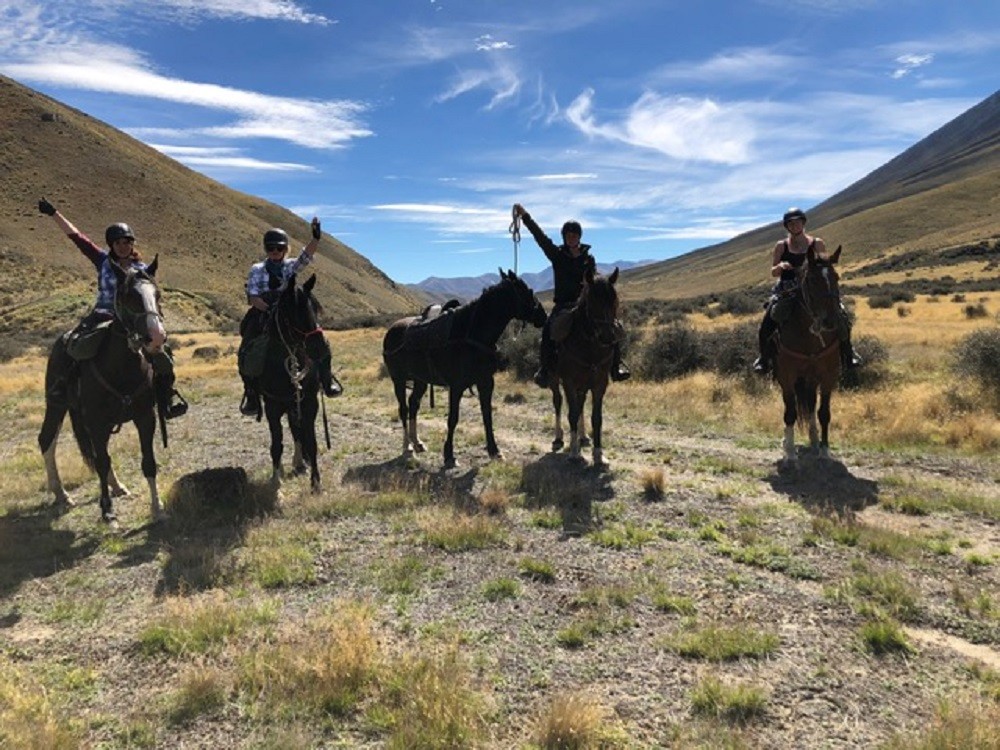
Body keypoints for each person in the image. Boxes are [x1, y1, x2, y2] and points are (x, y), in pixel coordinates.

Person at [37, 197, 187, 419]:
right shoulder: (102, 261)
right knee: (74, 345)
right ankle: (63, 389)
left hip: (132, 321)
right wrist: (54, 213)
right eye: (118, 243)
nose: (123, 246)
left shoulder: (143, 269)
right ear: (111, 245)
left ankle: (166, 397)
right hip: (103, 315)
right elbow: (77, 237)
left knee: (163, 356)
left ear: (132, 244)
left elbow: (150, 297)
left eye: (127, 242)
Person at [512, 203, 630, 387]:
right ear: (564, 237)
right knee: (549, 330)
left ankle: (616, 365)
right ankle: (545, 369)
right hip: (563, 305)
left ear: (579, 237)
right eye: (568, 235)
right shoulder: (557, 255)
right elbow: (540, 237)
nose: (571, 238)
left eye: (574, 235)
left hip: (584, 304)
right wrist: (525, 216)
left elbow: (593, 279)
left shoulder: (588, 258)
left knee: (610, 326)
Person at [238, 218, 341, 416]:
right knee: (248, 346)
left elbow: (306, 255)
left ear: (286, 249)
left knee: (319, 339)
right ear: (266, 249)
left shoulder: (290, 266)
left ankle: (327, 380)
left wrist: (316, 238)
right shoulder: (257, 269)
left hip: (289, 310)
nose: (275, 251)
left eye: (279, 247)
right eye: (271, 248)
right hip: (263, 310)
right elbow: (252, 296)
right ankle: (251, 392)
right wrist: (268, 309)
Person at [752, 207, 862, 375]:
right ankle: (763, 359)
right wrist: (780, 266)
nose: (794, 226)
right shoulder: (781, 246)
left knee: (841, 314)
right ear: (787, 227)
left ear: (803, 223)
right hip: (787, 288)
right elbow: (773, 271)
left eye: (797, 222)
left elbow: (824, 263)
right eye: (791, 223)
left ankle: (849, 353)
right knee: (769, 318)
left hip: (812, 287)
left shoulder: (817, 243)